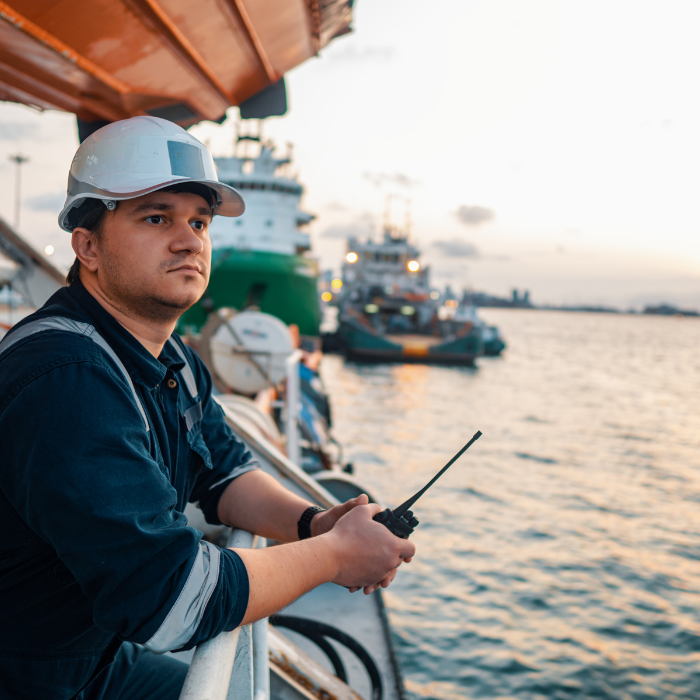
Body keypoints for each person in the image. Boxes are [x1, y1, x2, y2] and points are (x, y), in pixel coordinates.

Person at [0, 117, 415, 700]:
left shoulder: (169, 358)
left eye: (199, 221)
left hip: (88, 661)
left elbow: (222, 472)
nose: (189, 239)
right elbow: (172, 601)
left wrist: (314, 524)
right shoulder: (65, 380)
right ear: (87, 246)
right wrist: (334, 556)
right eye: (155, 217)